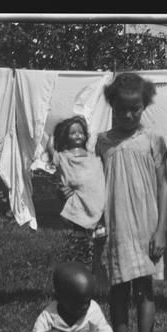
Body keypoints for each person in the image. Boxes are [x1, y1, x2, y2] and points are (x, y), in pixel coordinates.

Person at [95, 72, 167, 332]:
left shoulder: (153, 141)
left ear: (144, 106)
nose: (128, 114)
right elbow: (92, 182)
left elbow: (164, 185)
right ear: (112, 105)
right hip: (115, 226)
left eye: (134, 108)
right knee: (117, 289)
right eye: (122, 108)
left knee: (144, 289)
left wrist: (161, 228)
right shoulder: (102, 142)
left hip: (145, 226)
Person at [49, 115, 108, 293]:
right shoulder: (64, 157)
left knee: (102, 249)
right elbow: (51, 151)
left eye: (80, 132)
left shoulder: (94, 157)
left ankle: (100, 286)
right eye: (72, 132)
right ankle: (77, 286)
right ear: (65, 136)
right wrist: (53, 138)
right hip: (80, 206)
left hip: (98, 204)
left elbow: (97, 174)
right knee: (81, 249)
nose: (77, 135)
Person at [25, 262, 115, 332]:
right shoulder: (49, 315)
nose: (85, 306)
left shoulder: (93, 311)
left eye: (88, 301)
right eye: (79, 302)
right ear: (59, 298)